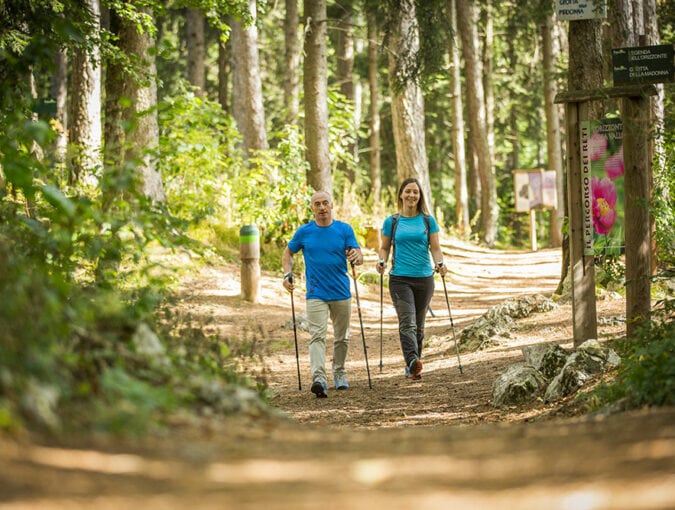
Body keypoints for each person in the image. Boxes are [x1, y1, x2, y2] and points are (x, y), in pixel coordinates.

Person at [282, 191, 363, 398]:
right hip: (315, 293)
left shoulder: (344, 229)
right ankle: (319, 379)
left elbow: (358, 255)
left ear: (332, 205)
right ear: (312, 208)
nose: (322, 207)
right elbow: (288, 252)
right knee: (317, 336)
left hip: (341, 291)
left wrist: (356, 256)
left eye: (325, 203)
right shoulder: (304, 232)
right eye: (317, 204)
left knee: (342, 337)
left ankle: (339, 373)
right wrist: (287, 274)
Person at [376, 177, 446, 380]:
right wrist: (381, 261)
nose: (411, 195)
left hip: (424, 278)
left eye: (415, 192)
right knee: (408, 323)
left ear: (420, 196)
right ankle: (412, 361)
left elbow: (435, 248)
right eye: (408, 191)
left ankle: (414, 367)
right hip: (399, 279)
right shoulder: (392, 221)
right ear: (400, 194)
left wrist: (440, 263)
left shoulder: (427, 220)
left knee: (419, 325)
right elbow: (384, 247)